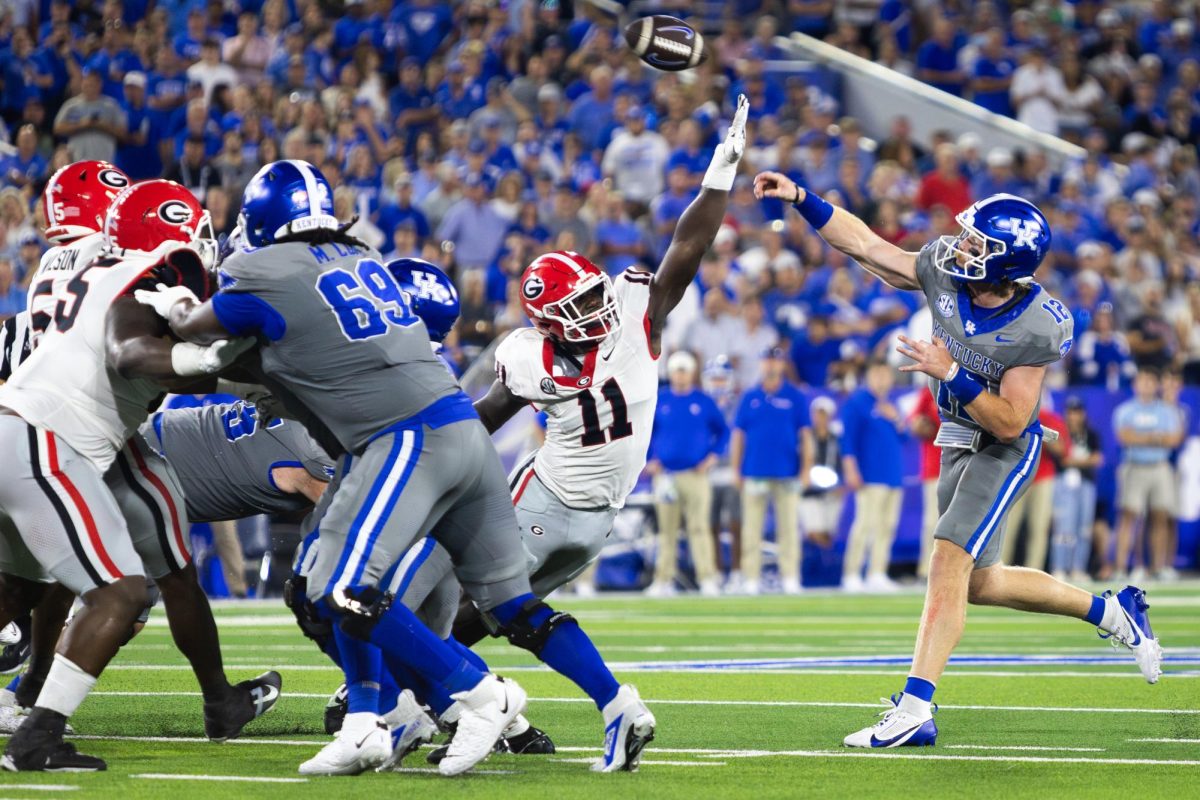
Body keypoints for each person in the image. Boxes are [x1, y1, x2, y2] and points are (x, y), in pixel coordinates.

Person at [138, 156, 667, 776]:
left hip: (406, 444)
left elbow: (204, 338)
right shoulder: (357, 255)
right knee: (500, 607)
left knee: (341, 588)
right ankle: (389, 718)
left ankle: (471, 697)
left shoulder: (268, 269)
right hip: (460, 439)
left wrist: (175, 306)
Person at [752, 171, 1162, 749]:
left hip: (1005, 445)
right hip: (955, 436)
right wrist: (802, 200)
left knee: (947, 558)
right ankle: (1112, 612)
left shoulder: (1038, 323)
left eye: (980, 245)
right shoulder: (945, 266)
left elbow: (1012, 420)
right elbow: (869, 247)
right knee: (980, 582)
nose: (963, 247)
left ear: (1009, 263)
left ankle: (915, 708)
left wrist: (950, 372)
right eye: (968, 238)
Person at [0, 179, 275, 772]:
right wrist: (235, 364)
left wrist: (243, 376)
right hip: (48, 440)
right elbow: (136, 355)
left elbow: (158, 362)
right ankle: (38, 735)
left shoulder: (92, 270)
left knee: (17, 590)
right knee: (122, 592)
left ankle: (34, 711)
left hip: (15, 424)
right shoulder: (161, 264)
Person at [646, 351, 729, 597]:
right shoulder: (660, 400)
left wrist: (712, 458)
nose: (680, 375)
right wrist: (650, 460)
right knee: (666, 530)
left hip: (695, 474)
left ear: (691, 373)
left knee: (699, 528)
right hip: (666, 475)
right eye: (676, 370)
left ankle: (707, 578)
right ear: (670, 373)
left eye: (684, 370)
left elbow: (723, 432)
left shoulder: (703, 401)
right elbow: (645, 432)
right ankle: (663, 579)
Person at [730, 347, 809, 595]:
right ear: (762, 364)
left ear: (782, 365)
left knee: (788, 528)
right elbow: (738, 436)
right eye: (767, 361)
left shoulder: (794, 396)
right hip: (754, 471)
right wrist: (736, 469)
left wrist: (806, 469)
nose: (771, 366)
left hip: (787, 472)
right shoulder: (750, 396)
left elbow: (805, 436)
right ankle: (751, 578)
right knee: (752, 529)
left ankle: (790, 577)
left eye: (775, 361)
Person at [839, 360, 906, 592]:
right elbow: (847, 441)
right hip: (869, 475)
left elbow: (905, 437)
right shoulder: (858, 402)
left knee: (887, 526)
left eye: (885, 374)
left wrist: (896, 418)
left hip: (893, 476)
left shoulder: (892, 404)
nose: (881, 379)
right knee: (864, 525)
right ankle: (851, 574)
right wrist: (851, 469)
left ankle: (877, 572)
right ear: (867, 377)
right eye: (876, 374)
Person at [1112, 368, 1183, 582]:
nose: (1146, 385)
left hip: (1160, 466)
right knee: (1129, 516)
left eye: (1151, 381)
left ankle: (1158, 567)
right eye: (1142, 380)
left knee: (1160, 516)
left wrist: (1140, 437)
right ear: (1135, 384)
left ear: (1156, 384)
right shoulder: (1126, 409)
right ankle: (1121, 567)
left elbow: (1174, 439)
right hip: (1135, 465)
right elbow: (1124, 436)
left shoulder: (1167, 410)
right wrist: (1156, 437)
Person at [1001, 404, 1068, 570]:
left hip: (1042, 478)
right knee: (1007, 526)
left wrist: (1039, 432)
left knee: (1039, 527)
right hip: (1016, 476)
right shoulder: (1012, 412)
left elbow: (1062, 450)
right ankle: (999, 568)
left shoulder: (1049, 417)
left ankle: (1034, 571)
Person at [1051, 397, 1102, 581]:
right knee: (1064, 528)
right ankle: (1059, 567)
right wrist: (1084, 461)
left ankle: (1078, 568)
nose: (1074, 416)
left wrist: (1075, 461)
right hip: (1064, 482)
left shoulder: (1091, 434)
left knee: (1084, 528)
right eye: (1071, 412)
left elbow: (1098, 459)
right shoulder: (1061, 433)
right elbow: (1062, 459)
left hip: (1086, 484)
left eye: (1077, 412)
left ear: (1083, 414)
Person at [799, 396, 843, 551]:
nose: (820, 418)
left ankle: (825, 568)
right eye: (817, 414)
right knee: (813, 531)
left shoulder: (837, 439)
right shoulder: (804, 437)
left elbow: (843, 461)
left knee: (828, 533)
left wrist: (841, 485)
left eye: (823, 414)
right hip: (809, 491)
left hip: (831, 492)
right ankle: (811, 568)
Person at [908, 386, 942, 580]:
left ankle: (957, 569)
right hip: (935, 466)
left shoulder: (969, 382)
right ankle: (927, 570)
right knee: (933, 522)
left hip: (965, 465)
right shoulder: (930, 389)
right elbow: (914, 422)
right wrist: (921, 425)